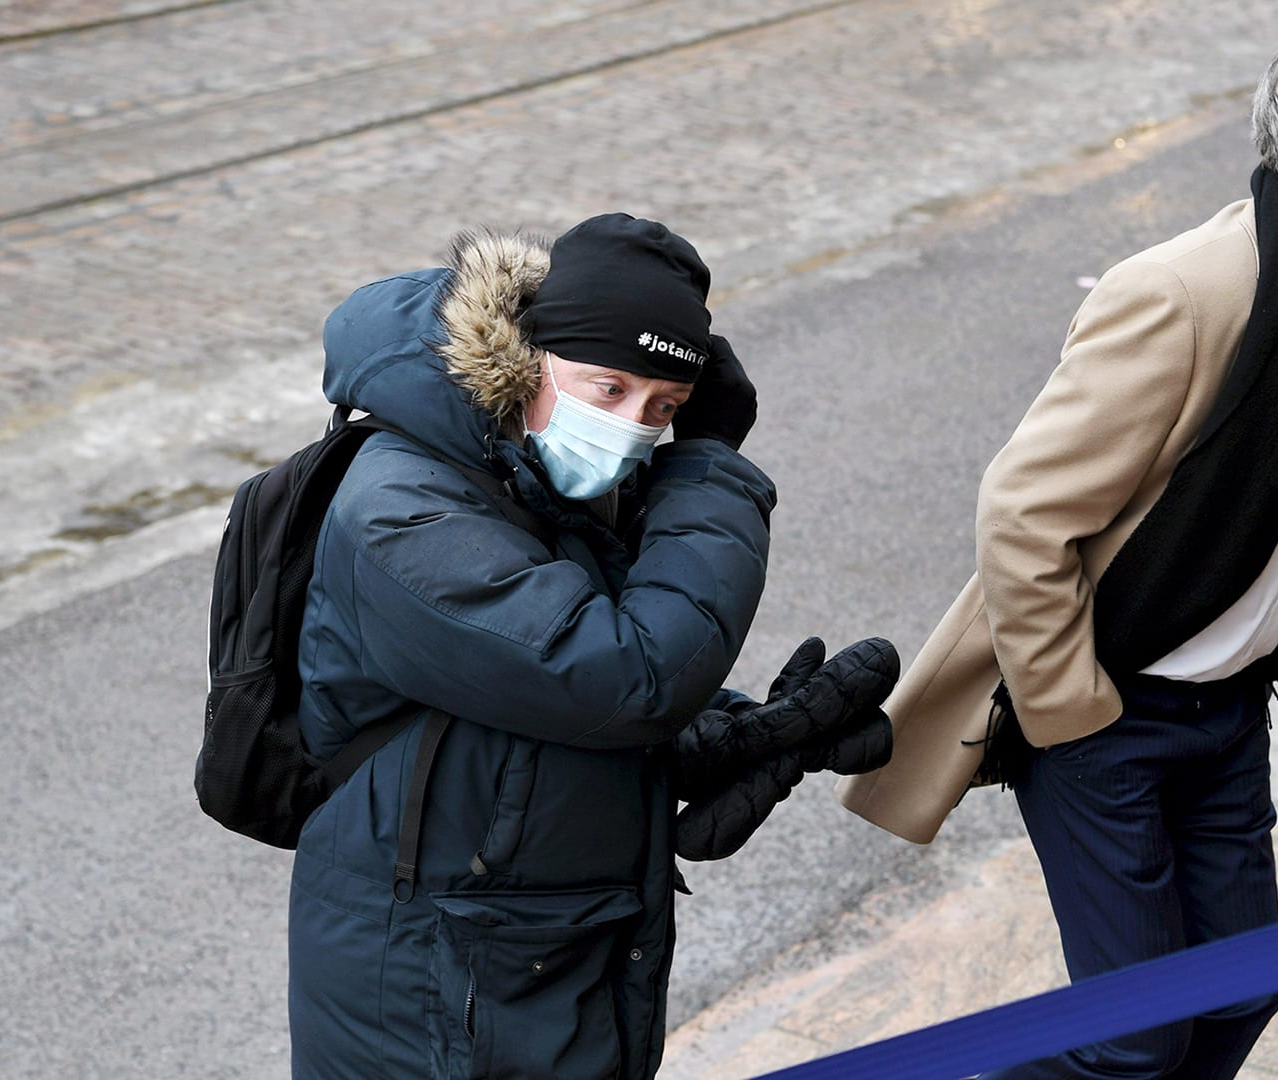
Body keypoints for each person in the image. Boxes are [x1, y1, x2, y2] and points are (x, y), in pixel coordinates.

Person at [840, 13, 1278, 1077]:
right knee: (1132, 1038)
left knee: (1241, 993)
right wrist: (1069, 713)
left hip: (1228, 705)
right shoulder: (1184, 293)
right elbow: (1024, 514)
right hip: (1107, 713)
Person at [288, 213, 896, 1078]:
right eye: (608, 388)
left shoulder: (540, 474)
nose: (632, 427)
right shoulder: (402, 508)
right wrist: (709, 463)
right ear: (528, 357)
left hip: (542, 956)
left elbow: (526, 710)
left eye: (665, 407)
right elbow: (628, 680)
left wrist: (743, 736)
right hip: (430, 989)